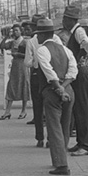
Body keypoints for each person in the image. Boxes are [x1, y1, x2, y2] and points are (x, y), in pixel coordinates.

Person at [34, 18, 77, 175]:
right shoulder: (65, 50)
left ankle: (61, 165)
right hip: (68, 91)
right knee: (65, 127)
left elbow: (49, 72)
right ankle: (60, 158)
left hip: (53, 92)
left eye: (38, 34)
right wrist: (64, 88)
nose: (37, 37)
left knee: (54, 128)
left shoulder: (42, 50)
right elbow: (73, 72)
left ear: (44, 35)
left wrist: (59, 89)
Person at [62, 5, 88, 157]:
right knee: (77, 108)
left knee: (82, 109)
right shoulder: (73, 32)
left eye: (65, 18)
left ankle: (86, 145)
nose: (63, 21)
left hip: (80, 74)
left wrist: (85, 63)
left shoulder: (78, 31)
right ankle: (80, 142)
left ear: (71, 20)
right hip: (76, 74)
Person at [24, 14, 63, 148]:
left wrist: (36, 60)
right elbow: (27, 62)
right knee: (45, 108)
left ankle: (44, 138)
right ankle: (44, 138)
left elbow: (27, 63)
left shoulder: (36, 41)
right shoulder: (36, 41)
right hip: (45, 74)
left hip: (43, 74)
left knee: (43, 108)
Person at [0, 23, 29, 120]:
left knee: (23, 86)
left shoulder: (25, 42)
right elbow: (2, 46)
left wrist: (18, 54)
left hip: (22, 65)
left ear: (21, 31)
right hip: (14, 66)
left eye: (17, 30)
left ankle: (23, 110)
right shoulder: (12, 42)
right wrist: (6, 36)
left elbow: (29, 55)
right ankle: (7, 111)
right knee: (11, 86)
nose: (15, 32)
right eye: (14, 31)